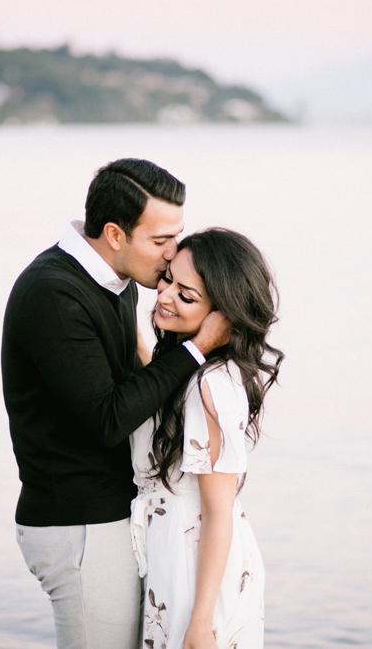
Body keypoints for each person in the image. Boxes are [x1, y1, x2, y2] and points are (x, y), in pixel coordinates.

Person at [1, 159, 231, 649]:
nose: (173, 256)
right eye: (160, 241)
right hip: (78, 523)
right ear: (114, 234)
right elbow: (107, 419)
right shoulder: (54, 294)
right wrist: (196, 349)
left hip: (106, 517)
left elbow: (133, 380)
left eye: (177, 236)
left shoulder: (117, 281)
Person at [130, 228, 283, 649]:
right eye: (168, 280)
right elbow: (155, 390)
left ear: (222, 317)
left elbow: (219, 511)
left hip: (198, 571)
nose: (164, 296)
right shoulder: (186, 365)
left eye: (187, 295)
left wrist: (201, 621)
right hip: (172, 556)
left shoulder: (212, 386)